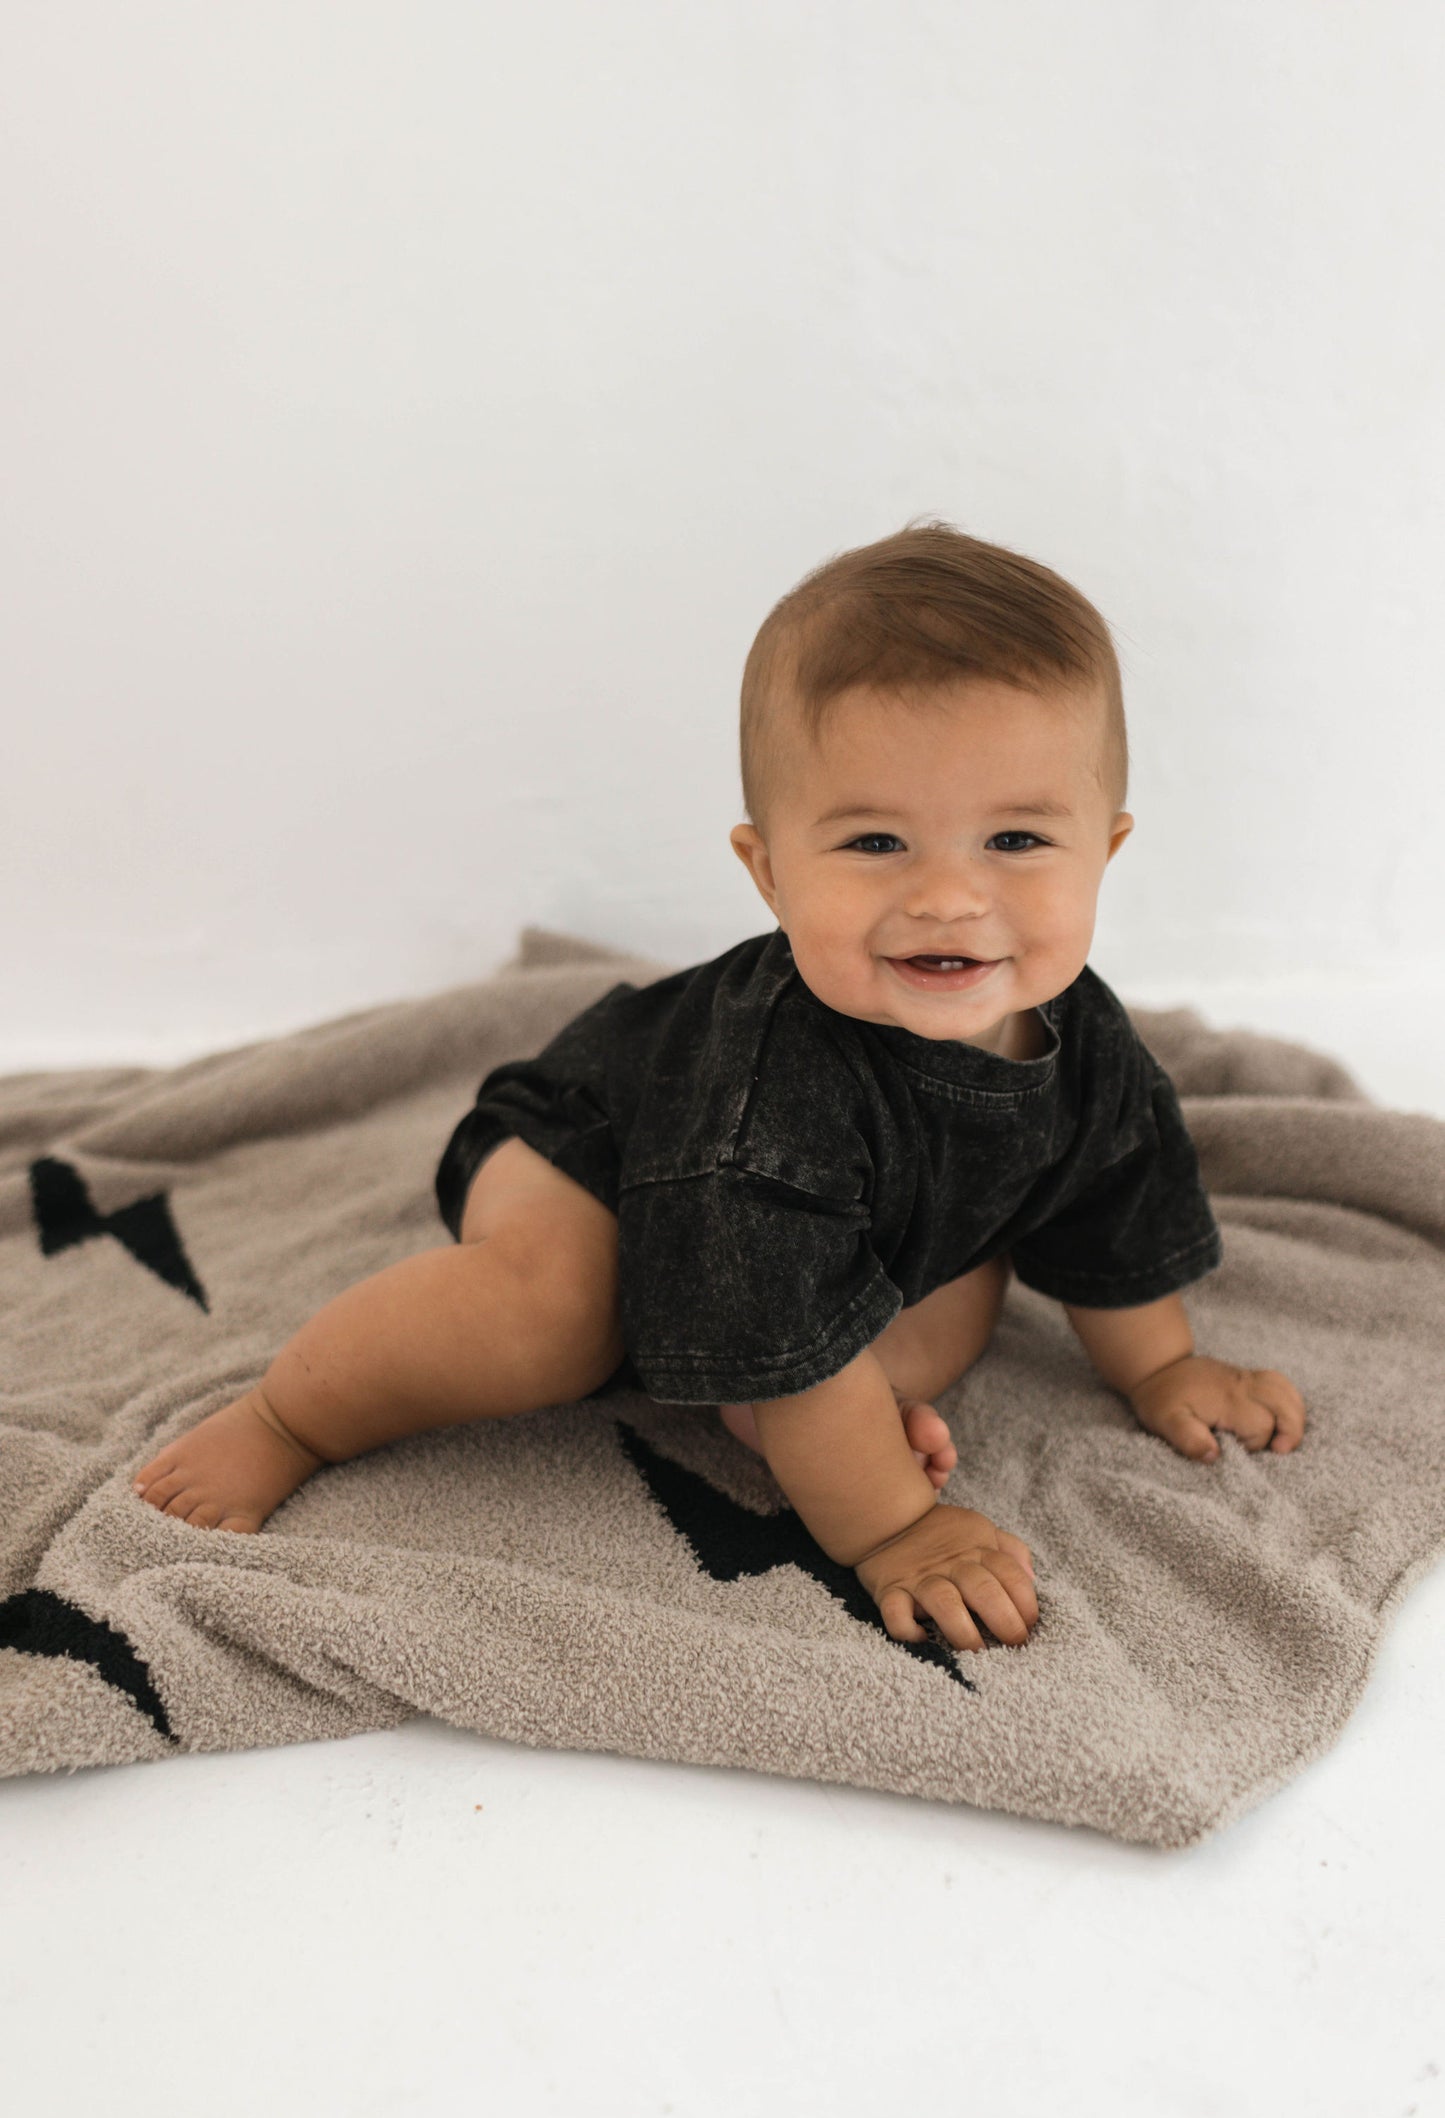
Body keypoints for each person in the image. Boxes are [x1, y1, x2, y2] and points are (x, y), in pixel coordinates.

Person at [132, 521, 1307, 1654]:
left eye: (1013, 841)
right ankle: (290, 1414)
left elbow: (1111, 1198)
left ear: (1101, 849)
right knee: (551, 1320)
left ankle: (763, 1395)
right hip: (593, 1152)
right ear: (768, 870)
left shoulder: (1084, 1042)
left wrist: (1157, 1363)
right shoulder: (766, 1102)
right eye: (873, 845)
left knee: (950, 1306)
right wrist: (895, 1524)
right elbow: (780, 1305)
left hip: (822, 1230)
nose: (948, 899)